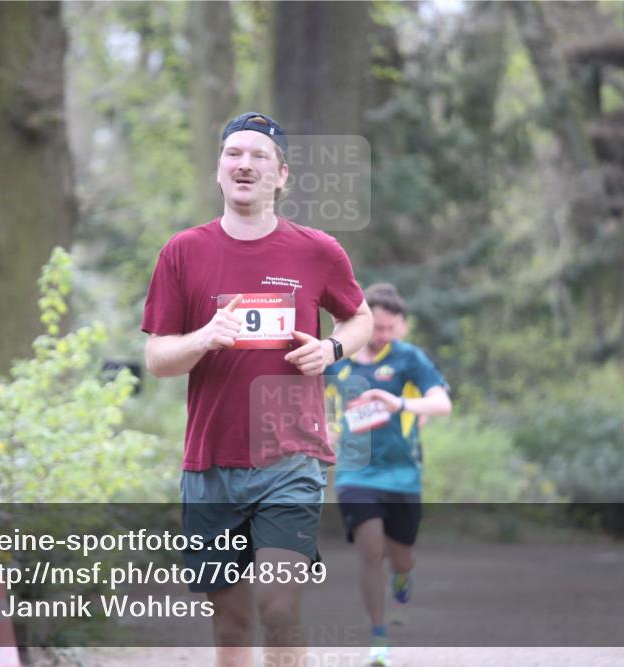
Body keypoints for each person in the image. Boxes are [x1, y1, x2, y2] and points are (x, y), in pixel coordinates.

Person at [142, 111, 373, 667]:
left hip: (290, 456)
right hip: (211, 462)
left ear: (282, 175)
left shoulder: (317, 251)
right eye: (233, 154)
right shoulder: (183, 253)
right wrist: (203, 338)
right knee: (232, 624)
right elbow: (157, 359)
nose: (245, 164)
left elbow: (359, 317)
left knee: (277, 607)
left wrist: (332, 350)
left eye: (259, 156)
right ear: (219, 170)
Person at [325, 283, 451, 667]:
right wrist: (324, 436)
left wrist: (398, 402)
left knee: (401, 557)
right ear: (358, 322)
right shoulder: (337, 361)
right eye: (375, 327)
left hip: (402, 475)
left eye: (388, 328)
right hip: (355, 472)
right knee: (369, 548)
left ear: (398, 326)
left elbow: (442, 403)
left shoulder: (409, 358)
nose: (381, 336)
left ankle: (402, 576)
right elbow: (314, 406)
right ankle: (379, 639)